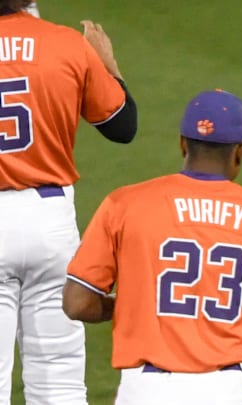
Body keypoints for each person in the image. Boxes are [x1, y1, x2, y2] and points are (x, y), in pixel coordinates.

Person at [62, 73, 242, 404]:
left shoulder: (125, 204)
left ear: (183, 144)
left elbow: (77, 302)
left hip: (145, 390)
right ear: (239, 152)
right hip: (223, 390)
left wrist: (130, 306)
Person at [0, 1, 137, 403]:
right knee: (59, 382)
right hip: (50, 223)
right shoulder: (67, 44)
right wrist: (110, 68)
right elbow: (122, 127)